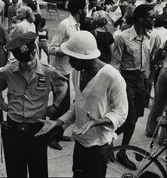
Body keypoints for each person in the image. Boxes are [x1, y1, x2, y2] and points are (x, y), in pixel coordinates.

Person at [35, 30, 128, 178]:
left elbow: (121, 113)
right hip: (80, 141)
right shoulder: (77, 72)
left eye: (72, 58)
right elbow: (77, 105)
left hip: (98, 146)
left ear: (84, 57)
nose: (69, 62)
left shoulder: (112, 77)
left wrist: (98, 122)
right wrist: (58, 122)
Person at [0, 32, 68, 178]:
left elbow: (63, 86)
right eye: (23, 61)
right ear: (17, 59)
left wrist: (54, 106)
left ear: (35, 52)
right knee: (15, 172)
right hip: (13, 131)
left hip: (37, 131)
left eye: (30, 59)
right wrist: (3, 105)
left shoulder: (47, 72)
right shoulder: (9, 71)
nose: (28, 63)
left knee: (39, 172)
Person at [111, 4, 155, 170]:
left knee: (135, 119)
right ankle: (108, 144)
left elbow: (148, 61)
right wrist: (120, 88)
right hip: (126, 80)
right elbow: (115, 65)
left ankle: (122, 152)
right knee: (128, 119)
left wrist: (147, 81)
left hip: (141, 81)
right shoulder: (123, 37)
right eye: (150, 17)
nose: (153, 20)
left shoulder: (148, 37)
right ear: (141, 19)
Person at [48, 0, 87, 150]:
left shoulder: (77, 25)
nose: (85, 11)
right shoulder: (64, 25)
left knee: (65, 106)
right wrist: (69, 49)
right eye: (84, 9)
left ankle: (57, 134)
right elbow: (52, 49)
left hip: (68, 69)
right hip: (58, 71)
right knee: (60, 106)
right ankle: (50, 137)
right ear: (79, 10)